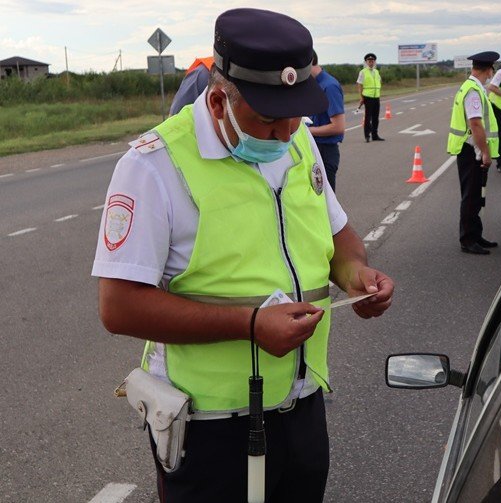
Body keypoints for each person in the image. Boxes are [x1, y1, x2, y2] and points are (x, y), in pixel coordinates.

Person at [92, 8, 394, 503]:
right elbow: (118, 306)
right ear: (217, 100)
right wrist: (251, 325)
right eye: (270, 119)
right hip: (210, 427)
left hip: (302, 406)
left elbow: (338, 236)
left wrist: (356, 274)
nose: (288, 130)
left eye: (297, 113)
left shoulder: (297, 141)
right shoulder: (153, 166)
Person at [446, 51, 500, 255]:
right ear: (489, 69)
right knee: (471, 197)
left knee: (477, 196)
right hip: (472, 151)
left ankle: (476, 235)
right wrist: (485, 152)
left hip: (471, 150)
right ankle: (468, 240)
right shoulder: (473, 91)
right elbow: (476, 124)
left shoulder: (472, 87)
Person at [308, 51, 345, 191]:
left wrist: (306, 131)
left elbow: (338, 126)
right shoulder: (313, 85)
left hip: (325, 151)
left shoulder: (329, 86)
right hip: (314, 148)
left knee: (326, 202)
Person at [356, 52, 384, 142]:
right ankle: (367, 136)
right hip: (367, 96)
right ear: (366, 62)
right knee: (368, 117)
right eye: (369, 61)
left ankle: (375, 135)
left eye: (372, 61)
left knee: (376, 117)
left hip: (376, 96)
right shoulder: (363, 72)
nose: (371, 62)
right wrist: (361, 97)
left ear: (374, 62)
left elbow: (379, 82)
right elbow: (359, 85)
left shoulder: (376, 72)